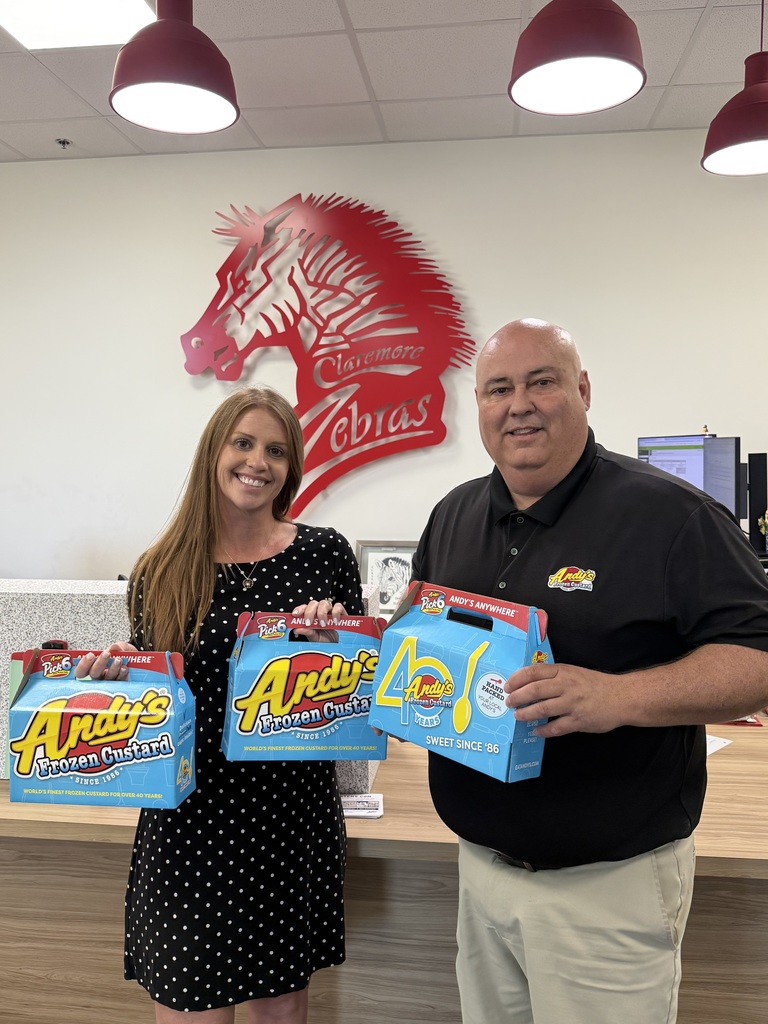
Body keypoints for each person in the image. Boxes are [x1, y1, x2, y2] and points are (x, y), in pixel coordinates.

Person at [410, 318, 768, 1024]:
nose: (520, 404)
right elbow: (413, 633)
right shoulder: (453, 516)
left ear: (582, 389)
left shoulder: (672, 515)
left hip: (608, 889)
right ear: (477, 407)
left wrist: (618, 696)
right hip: (480, 873)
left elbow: (758, 658)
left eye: (542, 381)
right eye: (498, 389)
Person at [75, 386, 364, 1024]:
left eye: (277, 450)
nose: (257, 461)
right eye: (243, 443)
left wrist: (333, 647)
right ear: (214, 451)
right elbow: (159, 713)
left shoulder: (325, 555)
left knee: (280, 1012)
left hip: (288, 824)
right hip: (188, 831)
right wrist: (115, 687)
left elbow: (358, 703)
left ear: (291, 468)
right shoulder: (162, 569)